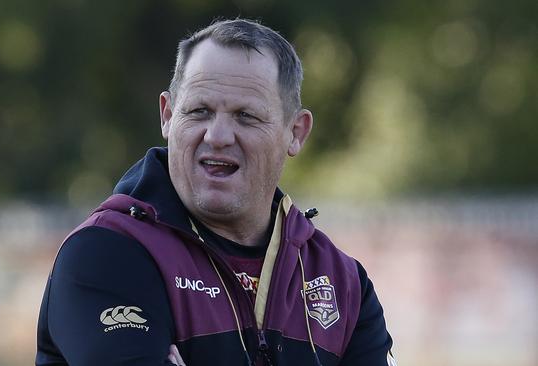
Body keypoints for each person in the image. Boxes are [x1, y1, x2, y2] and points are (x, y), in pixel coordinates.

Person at [36, 18, 396, 366]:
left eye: (246, 116)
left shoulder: (343, 283)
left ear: (296, 132)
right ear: (167, 115)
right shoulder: (107, 253)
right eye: (200, 111)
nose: (218, 136)